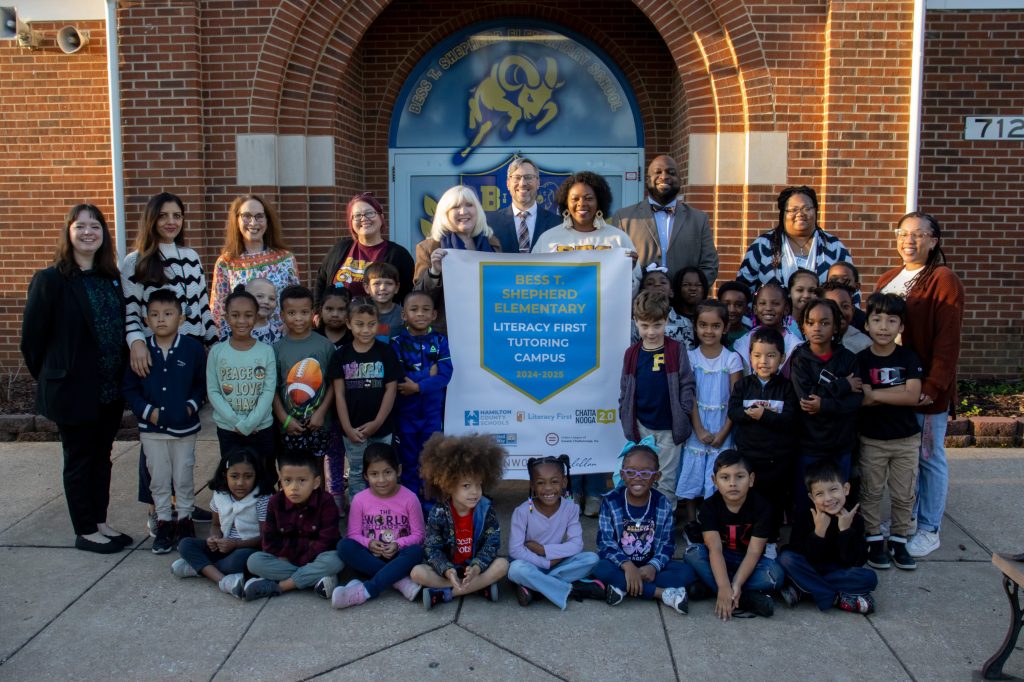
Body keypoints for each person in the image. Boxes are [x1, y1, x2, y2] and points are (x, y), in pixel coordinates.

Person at [21, 203, 131, 554]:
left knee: (102, 456)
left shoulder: (109, 278)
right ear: (69, 233)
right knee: (80, 457)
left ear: (103, 234)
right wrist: (57, 376)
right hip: (74, 389)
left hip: (109, 388)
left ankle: (99, 521)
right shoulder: (51, 280)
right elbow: (32, 341)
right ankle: (85, 530)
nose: (88, 233)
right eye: (80, 226)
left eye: (95, 226)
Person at [121, 192, 217, 534]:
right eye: (164, 215)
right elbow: (131, 310)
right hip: (152, 349)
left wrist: (216, 347)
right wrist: (136, 343)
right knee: (156, 438)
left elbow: (203, 308)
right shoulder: (136, 261)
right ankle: (157, 508)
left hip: (188, 350)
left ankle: (184, 506)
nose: (171, 221)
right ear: (152, 219)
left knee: (183, 434)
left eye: (177, 215)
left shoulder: (190, 256)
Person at [875, 212, 964, 559]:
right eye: (903, 233)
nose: (908, 241)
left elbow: (948, 340)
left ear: (933, 241)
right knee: (903, 457)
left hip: (924, 388)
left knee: (929, 457)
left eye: (918, 234)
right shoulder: (889, 277)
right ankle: (905, 518)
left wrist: (935, 383)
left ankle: (929, 528)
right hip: (891, 386)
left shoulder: (943, 280)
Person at [121, 289, 206, 554]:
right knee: (158, 479)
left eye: (168, 314)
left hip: (184, 429)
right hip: (153, 430)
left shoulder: (192, 349)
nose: (161, 320)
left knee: (183, 476)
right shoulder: (142, 350)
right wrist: (147, 411)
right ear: (146, 320)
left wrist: (191, 407)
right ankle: (164, 523)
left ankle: (184, 521)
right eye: (154, 315)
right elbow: (130, 389)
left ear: (180, 319)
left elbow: (201, 384)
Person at [857, 293, 924, 571]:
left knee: (903, 493)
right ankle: (874, 539)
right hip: (872, 439)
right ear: (867, 325)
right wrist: (899, 392)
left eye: (891, 320)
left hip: (906, 440)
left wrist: (877, 394)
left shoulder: (908, 357)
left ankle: (898, 540)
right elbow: (862, 399)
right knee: (871, 492)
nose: (884, 326)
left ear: (901, 327)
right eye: (877, 319)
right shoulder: (860, 360)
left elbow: (913, 396)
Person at [411, 434, 509, 608]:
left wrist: (477, 567)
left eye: (479, 485)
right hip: (449, 570)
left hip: (476, 569)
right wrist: (447, 570)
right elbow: (432, 548)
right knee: (417, 573)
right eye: (466, 486)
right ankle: (478, 588)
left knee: (502, 565)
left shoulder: (486, 510)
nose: (475, 492)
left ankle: (445, 594)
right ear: (448, 485)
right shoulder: (439, 512)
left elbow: (491, 544)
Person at [594, 444, 694, 614]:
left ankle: (623, 587)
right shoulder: (611, 501)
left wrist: (653, 566)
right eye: (631, 472)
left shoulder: (662, 503)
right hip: (620, 564)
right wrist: (627, 566)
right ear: (623, 474)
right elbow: (605, 542)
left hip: (650, 566)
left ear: (657, 476)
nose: (638, 478)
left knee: (687, 573)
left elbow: (667, 544)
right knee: (599, 568)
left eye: (646, 473)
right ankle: (661, 593)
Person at [619, 290, 696, 513]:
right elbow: (625, 387)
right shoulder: (632, 353)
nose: (651, 332)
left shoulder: (675, 350)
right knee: (641, 474)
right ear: (635, 322)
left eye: (657, 325)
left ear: (666, 320)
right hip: (642, 426)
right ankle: (643, 518)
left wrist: (683, 411)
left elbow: (687, 384)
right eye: (644, 326)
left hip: (670, 428)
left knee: (666, 479)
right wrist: (624, 411)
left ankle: (664, 521)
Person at [684, 450, 784, 619]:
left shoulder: (762, 507)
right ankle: (744, 598)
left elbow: (754, 551)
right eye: (725, 477)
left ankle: (714, 588)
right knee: (692, 554)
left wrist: (735, 582)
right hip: (721, 557)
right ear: (714, 481)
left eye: (739, 477)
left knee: (775, 576)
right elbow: (714, 549)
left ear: (751, 480)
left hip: (751, 562)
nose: (732, 483)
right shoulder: (709, 507)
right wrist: (724, 586)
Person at [332, 443, 426, 608]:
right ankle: (399, 582)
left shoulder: (410, 498)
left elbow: (419, 535)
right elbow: (353, 535)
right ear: (365, 476)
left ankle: (366, 590)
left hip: (399, 558)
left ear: (399, 470)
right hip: (369, 558)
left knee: (416, 552)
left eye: (387, 472)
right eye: (374, 474)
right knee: (344, 546)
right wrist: (369, 543)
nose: (381, 480)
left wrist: (398, 545)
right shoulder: (360, 499)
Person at [778, 460, 878, 614]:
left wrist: (845, 531)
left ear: (846, 489)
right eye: (820, 493)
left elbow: (856, 561)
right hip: (809, 568)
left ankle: (804, 589)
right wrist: (819, 532)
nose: (828, 498)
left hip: (837, 571)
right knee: (786, 558)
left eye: (833, 490)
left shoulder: (854, 519)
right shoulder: (806, 516)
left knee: (869, 578)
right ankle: (834, 597)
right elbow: (800, 555)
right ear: (812, 497)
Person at [172, 448, 273, 598]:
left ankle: (199, 568)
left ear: (256, 476)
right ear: (224, 475)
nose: (240, 483)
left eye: (248, 477)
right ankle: (223, 580)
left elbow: (266, 539)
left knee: (238, 562)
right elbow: (216, 525)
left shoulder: (262, 498)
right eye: (234, 476)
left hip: (248, 548)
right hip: (223, 547)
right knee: (185, 544)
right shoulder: (220, 495)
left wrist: (236, 544)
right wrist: (214, 538)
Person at [727, 327, 799, 540]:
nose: (764, 361)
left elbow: (790, 419)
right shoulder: (743, 385)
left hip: (776, 461)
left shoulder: (786, 388)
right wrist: (750, 414)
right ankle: (748, 537)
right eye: (757, 355)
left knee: (774, 502)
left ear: (782, 358)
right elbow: (733, 411)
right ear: (750, 357)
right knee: (749, 500)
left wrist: (764, 415)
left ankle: (771, 540)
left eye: (771, 356)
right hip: (749, 457)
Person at [328, 298, 401, 502]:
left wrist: (377, 422)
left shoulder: (386, 352)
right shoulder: (341, 355)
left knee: (384, 471)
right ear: (349, 324)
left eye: (371, 324)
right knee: (357, 472)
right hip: (353, 430)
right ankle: (359, 518)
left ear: (378, 324)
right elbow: (339, 394)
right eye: (359, 324)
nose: (366, 330)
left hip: (382, 427)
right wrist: (347, 428)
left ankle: (384, 510)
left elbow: (391, 390)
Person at [244, 452, 343, 600]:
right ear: (281, 481)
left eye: (302, 480)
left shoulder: (326, 501)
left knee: (337, 558)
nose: (294, 487)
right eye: (287, 480)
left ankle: (281, 586)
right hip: (292, 560)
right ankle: (317, 578)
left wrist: (298, 554)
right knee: (254, 561)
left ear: (315, 482)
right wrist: (301, 553)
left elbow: (327, 540)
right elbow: (269, 543)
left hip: (317, 557)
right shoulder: (275, 502)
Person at [677, 301, 743, 522]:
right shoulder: (690, 357)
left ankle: (715, 523)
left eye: (715, 326)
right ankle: (692, 524)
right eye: (703, 325)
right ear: (695, 327)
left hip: (724, 427)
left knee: (719, 475)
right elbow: (690, 397)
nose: (708, 331)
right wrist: (699, 429)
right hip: (698, 428)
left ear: (725, 328)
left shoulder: (732, 359)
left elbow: (736, 399)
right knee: (693, 474)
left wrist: (724, 433)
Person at [789, 299, 863, 496]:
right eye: (811, 322)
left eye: (824, 322)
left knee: (838, 495)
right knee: (808, 497)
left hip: (841, 442)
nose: (817, 328)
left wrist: (823, 404)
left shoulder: (848, 359)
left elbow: (855, 402)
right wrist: (843, 385)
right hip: (809, 443)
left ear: (836, 326)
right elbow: (806, 400)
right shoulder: (799, 359)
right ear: (802, 326)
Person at [508, 455, 602, 609]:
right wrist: (545, 562)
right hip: (531, 563)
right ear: (532, 485)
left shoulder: (570, 508)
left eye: (554, 481)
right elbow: (515, 550)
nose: (548, 488)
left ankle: (536, 588)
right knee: (515, 569)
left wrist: (543, 550)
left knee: (592, 559)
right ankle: (571, 590)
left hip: (557, 562)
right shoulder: (523, 511)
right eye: (540, 483)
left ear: (564, 482)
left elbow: (576, 545)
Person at [609, 155, 718, 284]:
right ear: (648, 180)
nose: (664, 176)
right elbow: (614, 264)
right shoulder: (624, 218)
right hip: (638, 300)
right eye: (658, 172)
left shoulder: (699, 219)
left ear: (680, 180)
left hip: (683, 301)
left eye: (671, 173)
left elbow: (709, 265)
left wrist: (692, 291)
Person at [736, 186, 854, 301]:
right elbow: (743, 288)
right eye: (793, 210)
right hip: (771, 319)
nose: (800, 214)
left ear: (816, 210)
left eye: (806, 209)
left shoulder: (834, 246)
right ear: (783, 213)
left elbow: (851, 290)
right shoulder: (763, 245)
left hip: (821, 319)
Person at [413, 185, 501, 333]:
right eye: (455, 207)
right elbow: (419, 300)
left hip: (486, 328)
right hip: (446, 333)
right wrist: (434, 272)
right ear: (444, 213)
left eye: (469, 205)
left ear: (477, 210)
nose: (463, 211)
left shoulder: (492, 244)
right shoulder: (427, 248)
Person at [210, 194, 300, 339]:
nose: (253, 222)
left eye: (259, 216)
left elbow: (296, 302)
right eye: (246, 216)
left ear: (267, 220)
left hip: (280, 340)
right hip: (241, 343)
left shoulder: (285, 259)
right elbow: (218, 311)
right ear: (237, 220)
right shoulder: (226, 262)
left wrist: (289, 328)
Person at [390, 291, 452, 498]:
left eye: (426, 310)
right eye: (414, 310)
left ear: (434, 314)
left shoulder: (441, 341)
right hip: (405, 415)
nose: (420, 314)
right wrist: (428, 373)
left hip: (432, 416)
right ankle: (410, 508)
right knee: (408, 464)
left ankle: (430, 509)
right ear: (404, 315)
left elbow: (444, 375)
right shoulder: (397, 342)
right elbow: (399, 378)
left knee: (430, 463)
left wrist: (417, 387)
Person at [206, 286, 277, 464]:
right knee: (235, 476)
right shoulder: (217, 352)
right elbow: (213, 391)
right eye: (236, 315)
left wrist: (250, 423)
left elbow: (268, 390)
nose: (242, 321)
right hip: (229, 429)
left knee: (265, 476)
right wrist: (237, 423)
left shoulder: (266, 352)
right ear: (226, 317)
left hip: (261, 428)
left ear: (256, 316)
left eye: (248, 315)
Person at [313, 191, 414, 307]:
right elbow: (321, 280)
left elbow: (407, 295)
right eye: (357, 215)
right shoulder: (340, 249)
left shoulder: (399, 255)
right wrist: (317, 311)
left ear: (381, 218)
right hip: (337, 321)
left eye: (370, 213)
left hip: (380, 323)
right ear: (351, 222)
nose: (364, 218)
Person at [272, 285, 336, 462]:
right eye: (292, 313)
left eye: (304, 312)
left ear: (314, 313)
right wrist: (284, 419)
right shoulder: (277, 349)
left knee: (317, 470)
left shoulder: (325, 346)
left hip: (318, 424)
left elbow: (334, 385)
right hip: (289, 425)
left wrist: (321, 413)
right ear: (282, 315)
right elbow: (273, 390)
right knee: (290, 469)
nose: (298, 318)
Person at [532, 171, 636, 256]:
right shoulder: (548, 239)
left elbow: (635, 279)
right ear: (566, 203)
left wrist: (630, 268)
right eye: (575, 199)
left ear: (599, 202)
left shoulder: (619, 239)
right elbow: (535, 275)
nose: (581, 204)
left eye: (589, 198)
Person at [485, 156, 561, 253]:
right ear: (508, 184)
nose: (522, 183)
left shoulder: (557, 223)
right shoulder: (491, 223)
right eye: (517, 178)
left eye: (528, 177)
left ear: (538, 183)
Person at [732, 282, 801, 376]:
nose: (768, 308)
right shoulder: (744, 342)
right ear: (755, 309)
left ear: (786, 309)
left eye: (776, 303)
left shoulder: (795, 345)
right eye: (762, 303)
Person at [630, 264, 694, 349]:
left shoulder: (685, 323)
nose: (657, 285)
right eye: (650, 283)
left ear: (671, 292)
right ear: (642, 292)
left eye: (663, 282)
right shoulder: (635, 323)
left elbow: (689, 355)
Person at [823, 281, 871, 354]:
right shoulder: (812, 341)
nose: (840, 312)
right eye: (832, 306)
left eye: (845, 306)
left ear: (852, 309)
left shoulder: (865, 345)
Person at [364, 261, 404, 341]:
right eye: (377, 283)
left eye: (389, 283)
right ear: (367, 288)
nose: (382, 288)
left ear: (397, 288)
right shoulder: (360, 313)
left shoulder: (403, 315)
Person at [827, 261, 867, 331]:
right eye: (833, 280)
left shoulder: (864, 321)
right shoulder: (816, 314)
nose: (839, 283)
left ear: (857, 286)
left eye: (845, 280)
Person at [785, 268, 822, 341]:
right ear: (789, 292)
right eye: (800, 290)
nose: (806, 295)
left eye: (811, 291)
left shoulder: (823, 324)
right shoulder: (781, 324)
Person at [716, 280, 751, 350]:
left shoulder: (750, 338)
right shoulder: (711, 334)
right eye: (726, 304)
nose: (732, 310)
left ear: (747, 308)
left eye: (739, 305)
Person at [246, 277, 282, 345]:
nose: (266, 302)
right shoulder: (233, 330)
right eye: (259, 296)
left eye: (271, 298)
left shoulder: (277, 334)